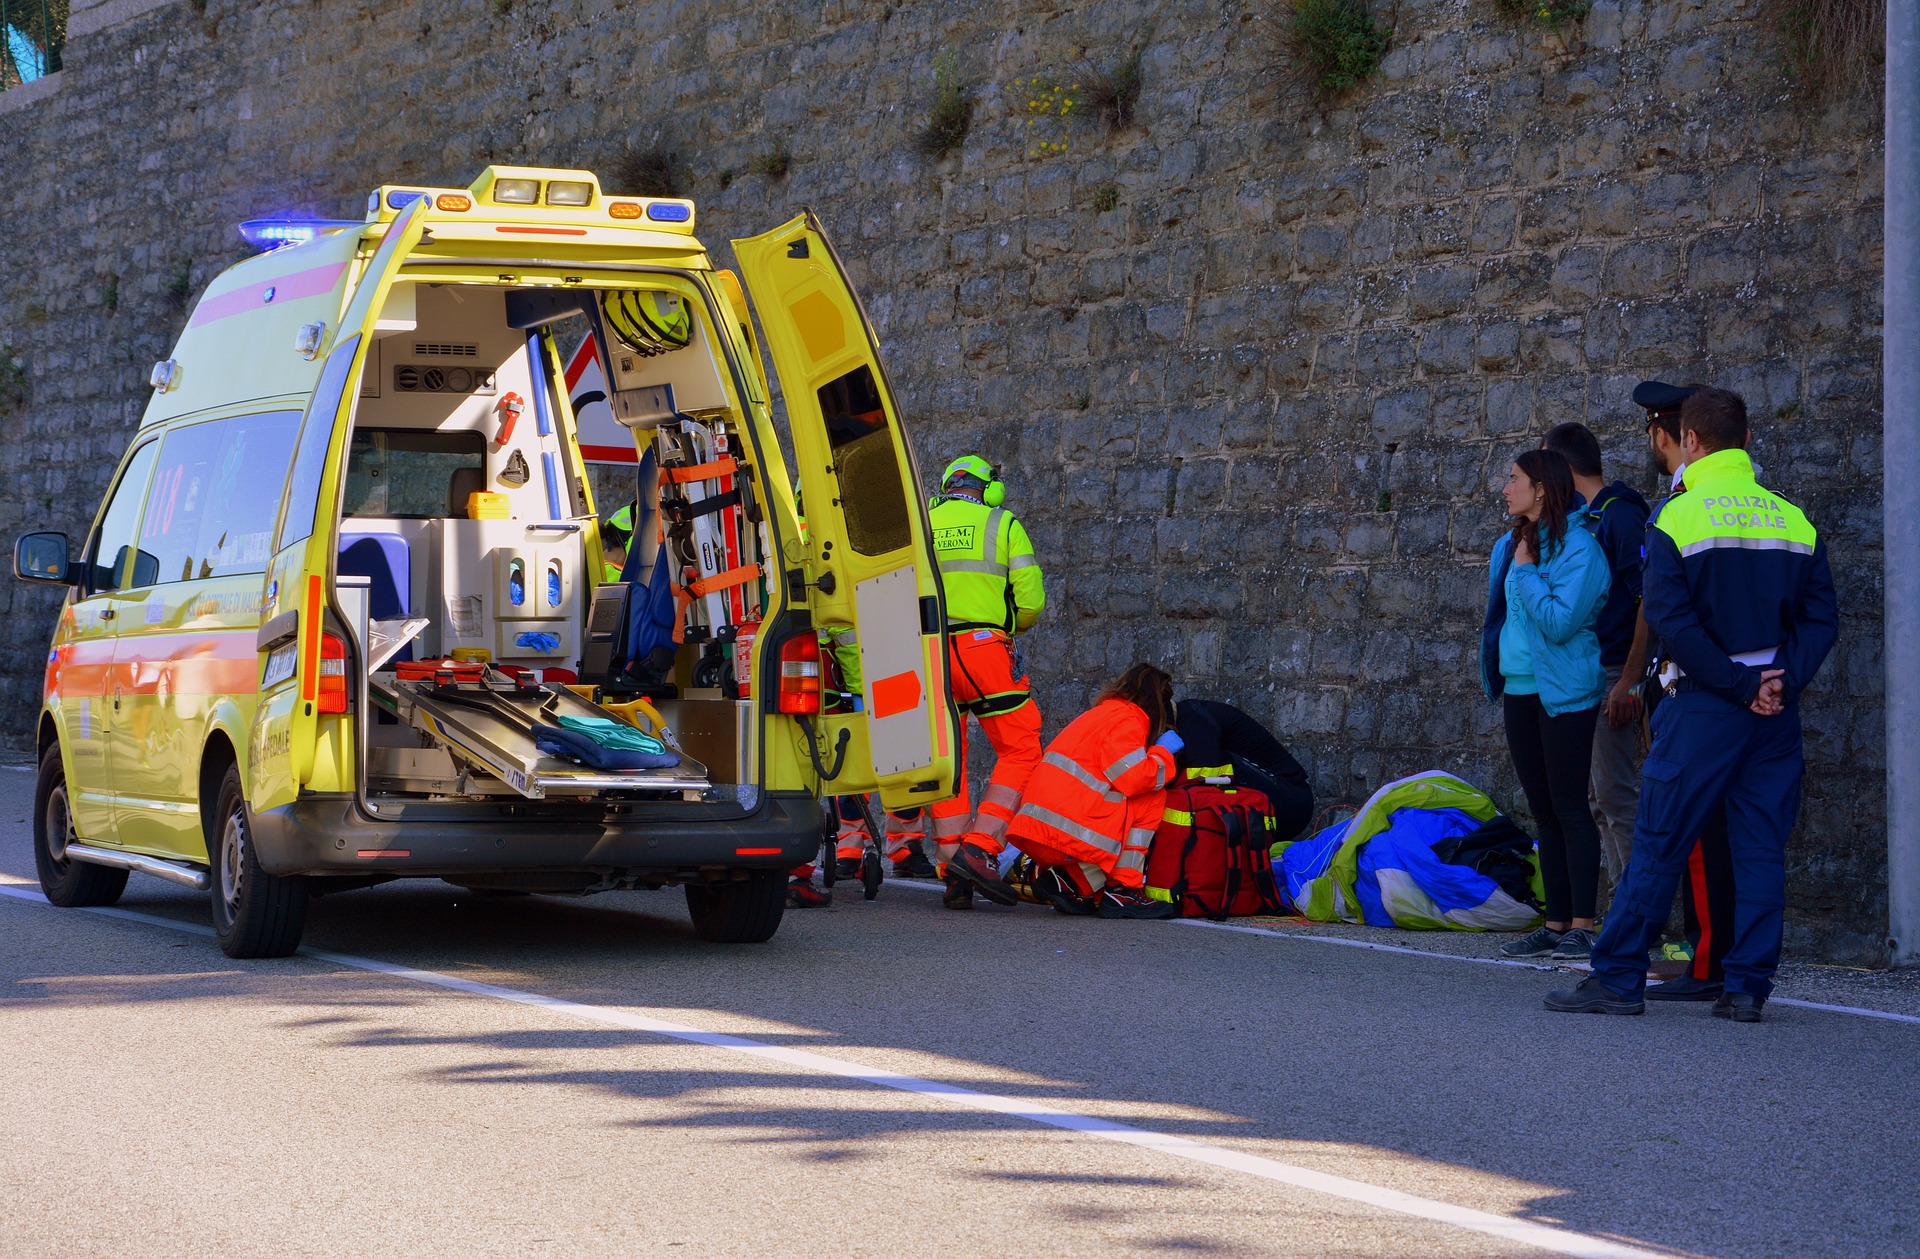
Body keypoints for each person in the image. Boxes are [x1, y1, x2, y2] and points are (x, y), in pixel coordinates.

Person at [1548, 387, 1838, 1021]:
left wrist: (1736, 686)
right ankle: (1745, 989)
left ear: (1694, 441)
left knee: (1658, 841)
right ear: (1747, 442)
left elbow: (1673, 622)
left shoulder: (1676, 518)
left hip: (1705, 706)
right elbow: (1821, 619)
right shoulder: (1793, 518)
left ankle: (1619, 977)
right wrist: (1778, 680)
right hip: (1774, 713)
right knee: (1760, 847)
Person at [1480, 449, 1612, 960]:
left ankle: (1583, 924)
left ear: (1541, 490)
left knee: (1571, 808)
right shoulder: (1508, 545)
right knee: (1543, 812)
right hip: (1518, 690)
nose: (1504, 488)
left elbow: (1559, 623)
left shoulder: (1581, 549)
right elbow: (1499, 620)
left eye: (1513, 479)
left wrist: (1529, 571)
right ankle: (1554, 923)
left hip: (1565, 693)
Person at [1631, 380, 1736, 1000]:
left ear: (1667, 434)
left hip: (1697, 686)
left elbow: (1666, 609)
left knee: (1696, 833)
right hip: (1739, 685)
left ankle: (1705, 963)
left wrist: (1643, 680)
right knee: (1726, 833)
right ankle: (1720, 958)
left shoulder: (1683, 507)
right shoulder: (1749, 500)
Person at [925, 455, 1047, 910]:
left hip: (930, 654)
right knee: (1021, 748)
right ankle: (979, 847)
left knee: (948, 757)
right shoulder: (1002, 522)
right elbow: (1031, 600)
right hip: (984, 652)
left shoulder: (923, 523)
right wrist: (1010, 625)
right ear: (989, 488)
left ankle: (951, 861)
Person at [1541, 422, 1650, 895]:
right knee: (1593, 798)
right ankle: (1622, 907)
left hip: (1611, 673)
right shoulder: (1582, 520)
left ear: (1564, 468)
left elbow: (1651, 600)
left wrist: (1628, 680)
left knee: (1615, 795)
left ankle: (1642, 919)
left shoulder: (1619, 517)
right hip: (1584, 674)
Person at [1007, 663, 1183, 919]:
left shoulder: (1100, 714)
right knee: (1152, 796)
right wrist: (1163, 752)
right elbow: (1136, 778)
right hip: (1062, 837)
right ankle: (1123, 890)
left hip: (1037, 832)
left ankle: (1073, 882)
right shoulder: (1129, 719)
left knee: (1127, 800)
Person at [1172, 698, 1315, 842]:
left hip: (1291, 801)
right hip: (1274, 799)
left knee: (1212, 770)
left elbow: (1200, 781)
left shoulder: (1195, 721)